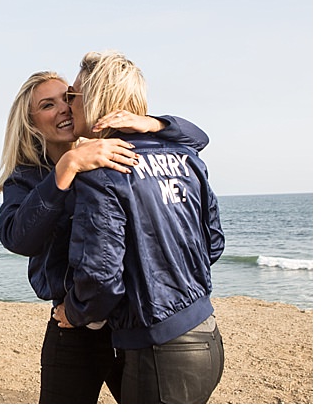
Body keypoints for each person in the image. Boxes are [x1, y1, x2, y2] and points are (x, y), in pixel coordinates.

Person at [0, 69, 211, 404]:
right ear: (31, 123)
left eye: (67, 98)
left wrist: (153, 123)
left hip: (129, 321)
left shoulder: (107, 153)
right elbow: (18, 239)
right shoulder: (26, 178)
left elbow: (196, 140)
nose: (64, 108)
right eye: (48, 105)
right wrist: (67, 168)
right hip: (72, 326)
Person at [54, 50, 225, 403]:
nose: (68, 105)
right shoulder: (187, 158)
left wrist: (72, 311)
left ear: (97, 98)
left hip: (159, 351)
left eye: (73, 95)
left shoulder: (105, 171)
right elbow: (213, 244)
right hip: (206, 335)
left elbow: (101, 276)